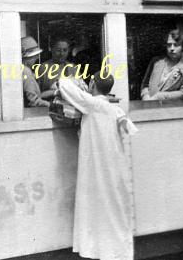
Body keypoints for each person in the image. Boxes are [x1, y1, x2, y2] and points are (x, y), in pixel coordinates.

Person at [58, 72, 137, 260]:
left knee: (97, 205)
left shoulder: (92, 104)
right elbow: (129, 129)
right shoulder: (113, 108)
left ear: (93, 83)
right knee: (113, 206)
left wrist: (77, 82)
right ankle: (116, 251)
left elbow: (63, 84)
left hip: (97, 164)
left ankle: (98, 249)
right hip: (114, 165)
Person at [140, 29, 183, 101]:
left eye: (176, 45)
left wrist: (158, 97)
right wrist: (145, 96)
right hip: (150, 106)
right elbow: (145, 84)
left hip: (172, 108)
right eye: (169, 45)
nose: (172, 48)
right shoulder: (156, 61)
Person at [21, 36, 50, 107]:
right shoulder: (25, 71)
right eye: (34, 55)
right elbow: (33, 100)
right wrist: (51, 105)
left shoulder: (25, 70)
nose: (37, 58)